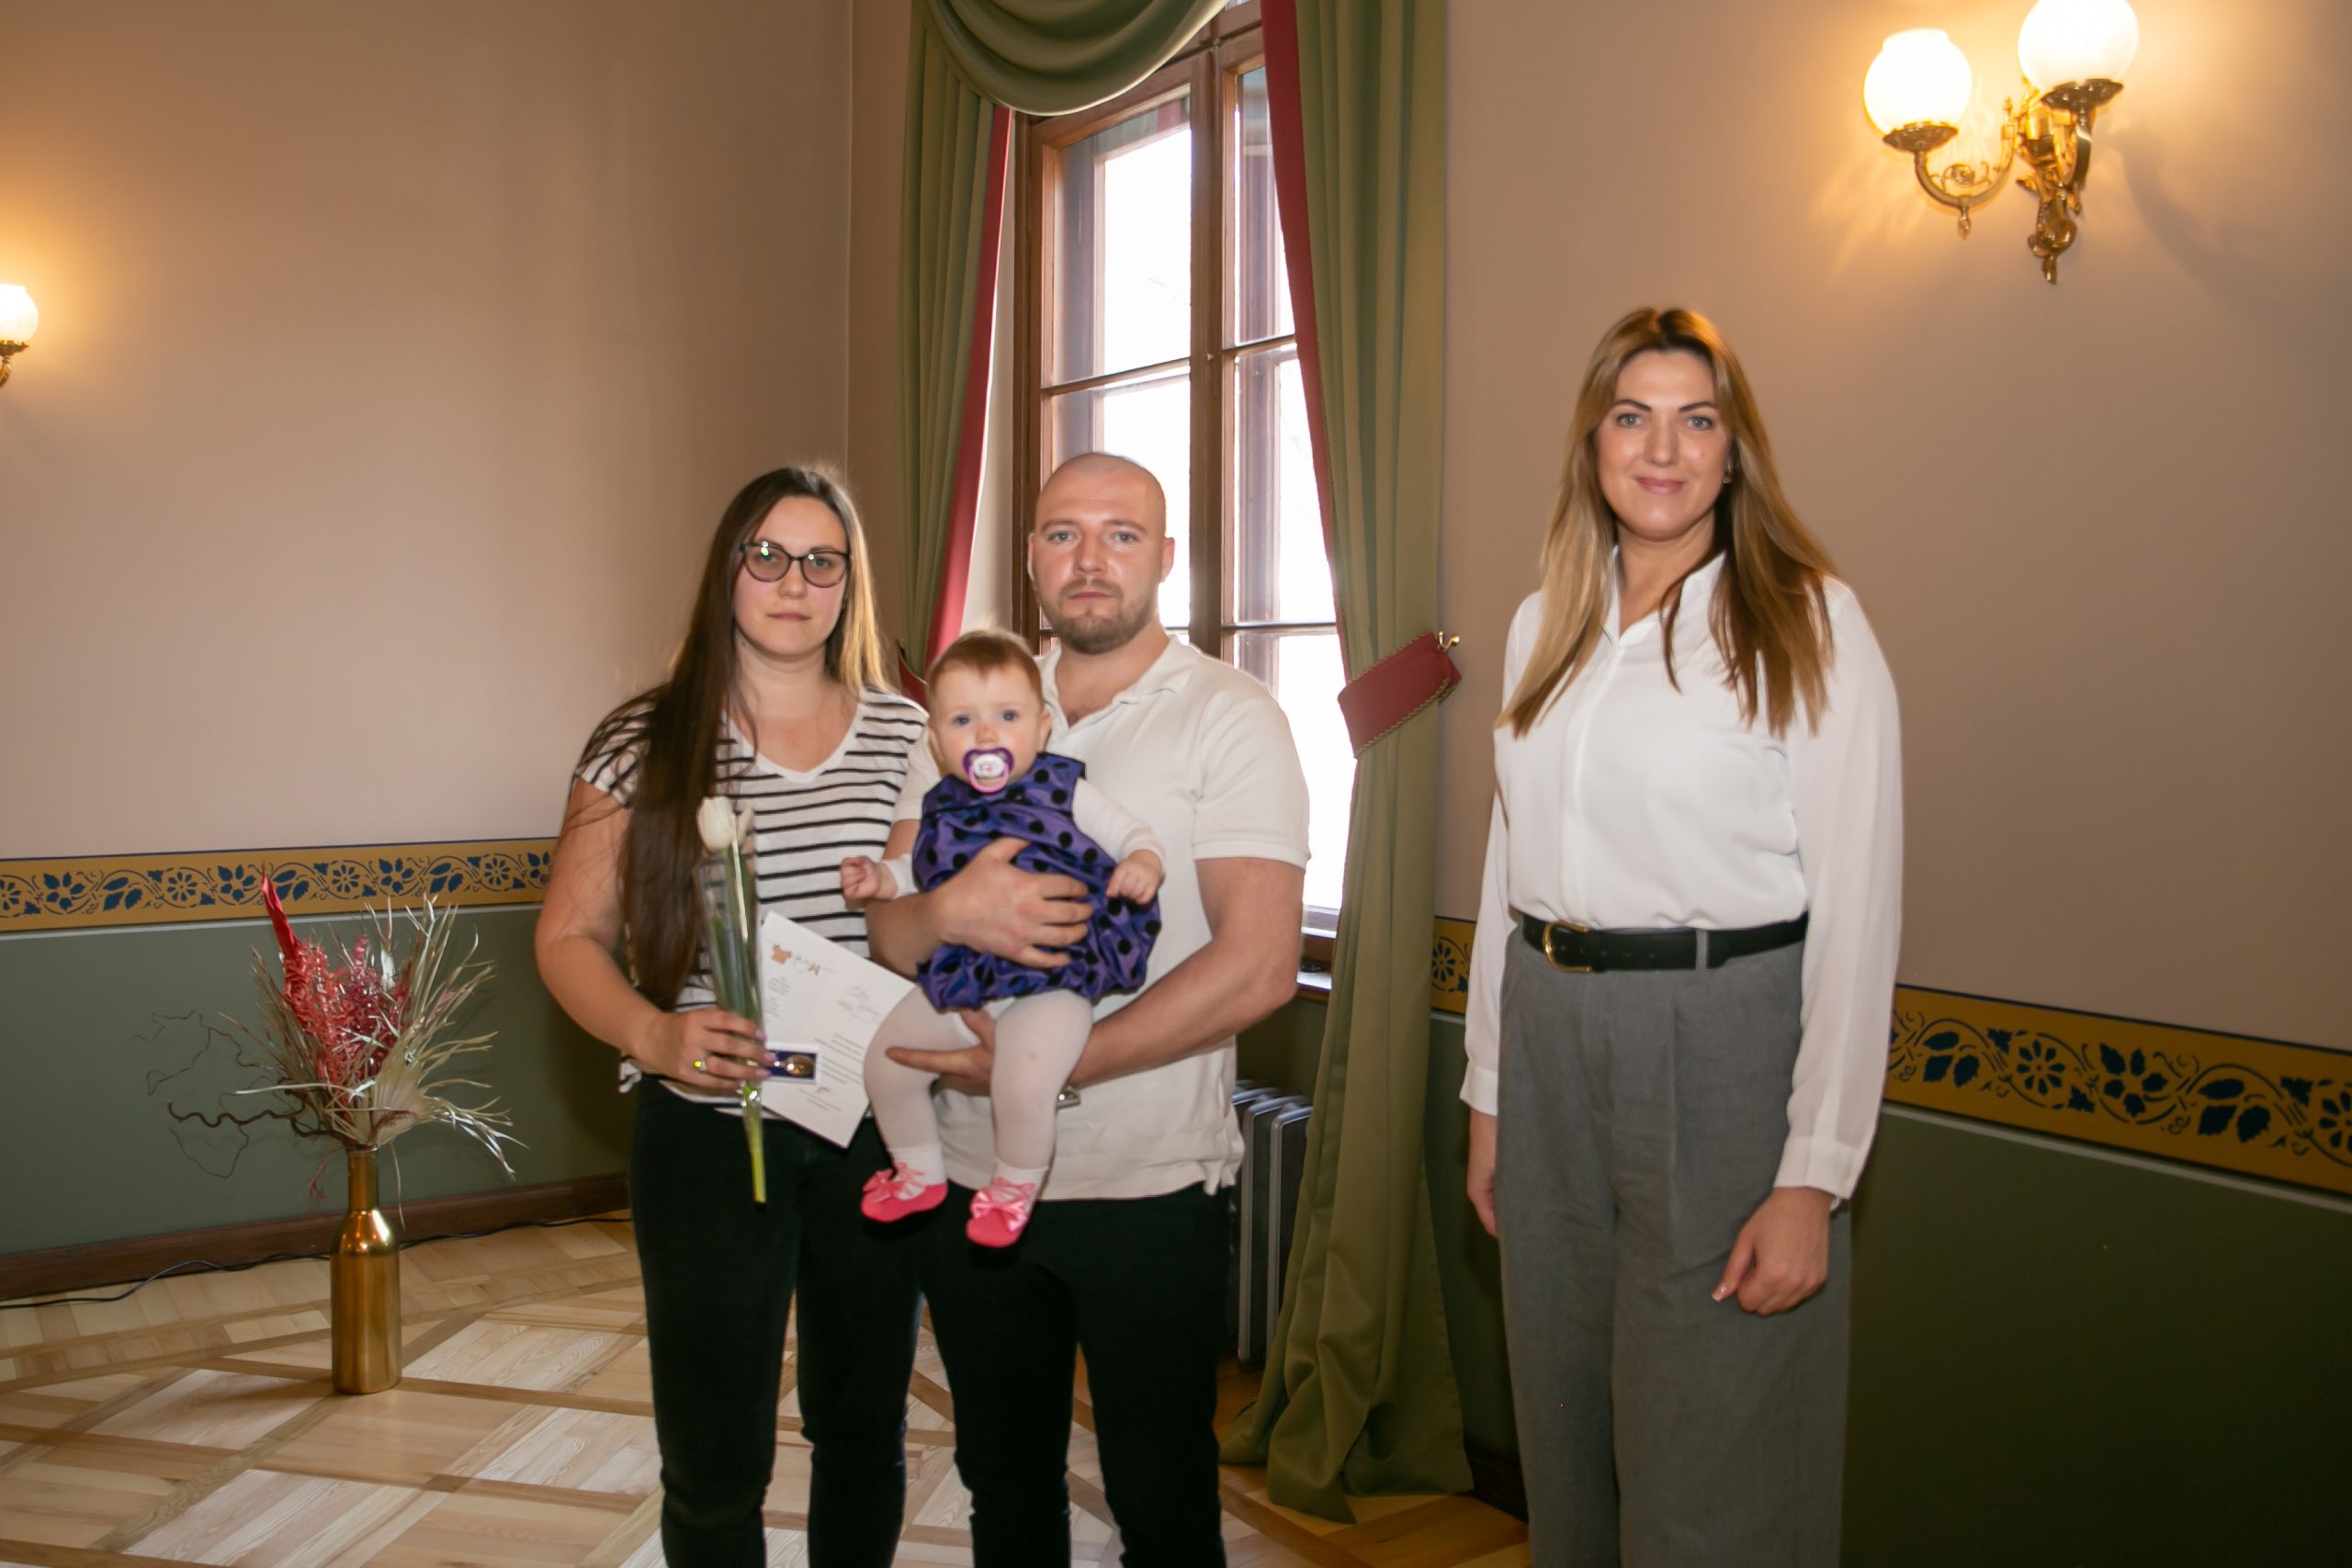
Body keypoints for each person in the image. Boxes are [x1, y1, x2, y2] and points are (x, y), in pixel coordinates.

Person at [1461, 308, 1903, 1566]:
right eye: (1632, 417)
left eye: (1695, 419)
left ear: (1733, 449)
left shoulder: (1808, 619)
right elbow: (1507, 872)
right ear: (1592, 443)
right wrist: (1490, 1094)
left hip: (1722, 1047)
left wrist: (1814, 1174)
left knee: (1716, 1462)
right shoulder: (1542, 620)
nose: (1662, 449)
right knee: (1563, 1433)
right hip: (1549, 1042)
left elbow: (1861, 907)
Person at [865, 452, 1309, 1563]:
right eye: (1064, 533)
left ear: (1166, 558)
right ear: (1031, 556)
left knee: (1161, 1505)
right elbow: (890, 934)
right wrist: (950, 909)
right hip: (968, 1173)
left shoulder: (1228, 715)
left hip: (1146, 1182)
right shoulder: (970, 705)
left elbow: (1259, 967)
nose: (1091, 559)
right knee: (1004, 1490)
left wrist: (1053, 1064)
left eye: (1123, 534)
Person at [535, 466, 931, 1568]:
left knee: (865, 1433)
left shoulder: (911, 736)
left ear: (850, 584)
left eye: (822, 561)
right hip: (711, 1135)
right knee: (713, 1463)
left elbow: (931, 928)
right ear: (727, 571)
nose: (793, 583)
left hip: (874, 1136)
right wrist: (652, 1035)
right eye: (768, 555)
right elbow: (566, 939)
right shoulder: (643, 740)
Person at [846, 628, 1166, 1246]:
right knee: (885, 1059)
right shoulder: (939, 804)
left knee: (1023, 1080)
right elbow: (919, 871)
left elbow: (1132, 832)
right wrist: (879, 879)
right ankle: (918, 1171)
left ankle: (1014, 1188)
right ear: (937, 740)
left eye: (1008, 717)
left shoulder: (1063, 788)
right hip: (969, 975)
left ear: (1041, 729)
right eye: (963, 720)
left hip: (1055, 974)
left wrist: (1143, 863)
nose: (987, 735)